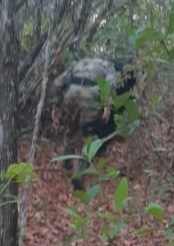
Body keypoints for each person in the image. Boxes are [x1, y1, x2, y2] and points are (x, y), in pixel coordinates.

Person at [51, 56, 135, 190]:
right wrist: (107, 105)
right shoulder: (107, 66)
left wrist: (56, 106)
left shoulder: (79, 62)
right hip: (91, 94)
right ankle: (79, 174)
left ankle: (66, 166)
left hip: (71, 92)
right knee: (90, 136)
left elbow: (57, 83)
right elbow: (110, 83)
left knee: (71, 129)